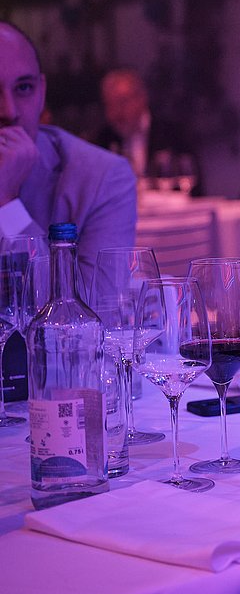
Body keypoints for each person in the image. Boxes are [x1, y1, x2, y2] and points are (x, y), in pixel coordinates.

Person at [0, 22, 137, 395]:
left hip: (61, 400)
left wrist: (7, 204)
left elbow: (96, 326)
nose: (8, 111)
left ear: (42, 92)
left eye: (23, 88)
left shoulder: (100, 177)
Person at [95, 66, 202, 193]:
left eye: (122, 102)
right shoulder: (101, 142)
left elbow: (195, 185)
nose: (117, 112)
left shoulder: (172, 134)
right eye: (109, 105)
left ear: (142, 98)